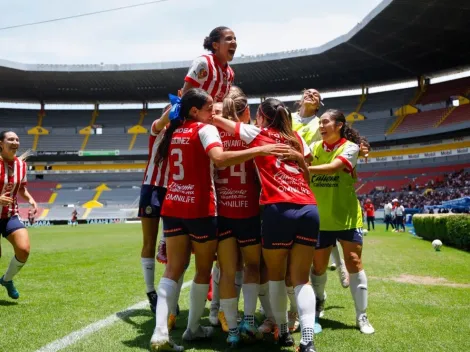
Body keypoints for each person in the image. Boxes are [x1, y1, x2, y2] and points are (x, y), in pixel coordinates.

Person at [149, 88, 289, 351]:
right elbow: (220, 159)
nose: (212, 113)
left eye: (216, 108)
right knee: (208, 271)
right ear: (195, 110)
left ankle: (160, 334)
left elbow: (159, 134)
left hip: (174, 205)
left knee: (173, 270)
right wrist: (260, 151)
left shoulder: (174, 131)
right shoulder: (211, 131)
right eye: (208, 108)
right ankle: (194, 329)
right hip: (204, 209)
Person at [214, 98, 320, 352]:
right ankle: (308, 340)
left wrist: (209, 114)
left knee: (275, 276)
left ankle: (282, 332)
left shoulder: (258, 133)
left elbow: (222, 122)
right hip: (308, 207)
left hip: (278, 207)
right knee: (301, 280)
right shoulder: (296, 137)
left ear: (261, 116)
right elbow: (308, 172)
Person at [301, 109, 374, 335]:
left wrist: (305, 168)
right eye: (320, 123)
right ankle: (320, 300)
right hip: (320, 219)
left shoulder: (350, 147)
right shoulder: (314, 149)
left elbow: (333, 168)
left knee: (353, 261)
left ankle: (362, 315)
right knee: (319, 267)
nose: (321, 126)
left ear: (339, 125)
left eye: (325, 122)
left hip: (347, 217)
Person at [0, 131, 37, 300]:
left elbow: (21, 188)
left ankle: (7, 280)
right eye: (10, 139)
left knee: (23, 250)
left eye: (17, 139)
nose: (15, 142)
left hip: (10, 215)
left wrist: (30, 199)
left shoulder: (21, 165)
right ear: (1, 143)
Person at [182, 26, 236, 102]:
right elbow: (186, 95)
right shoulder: (204, 63)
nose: (234, 42)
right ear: (215, 45)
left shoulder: (230, 73)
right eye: (228, 39)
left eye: (234, 39)